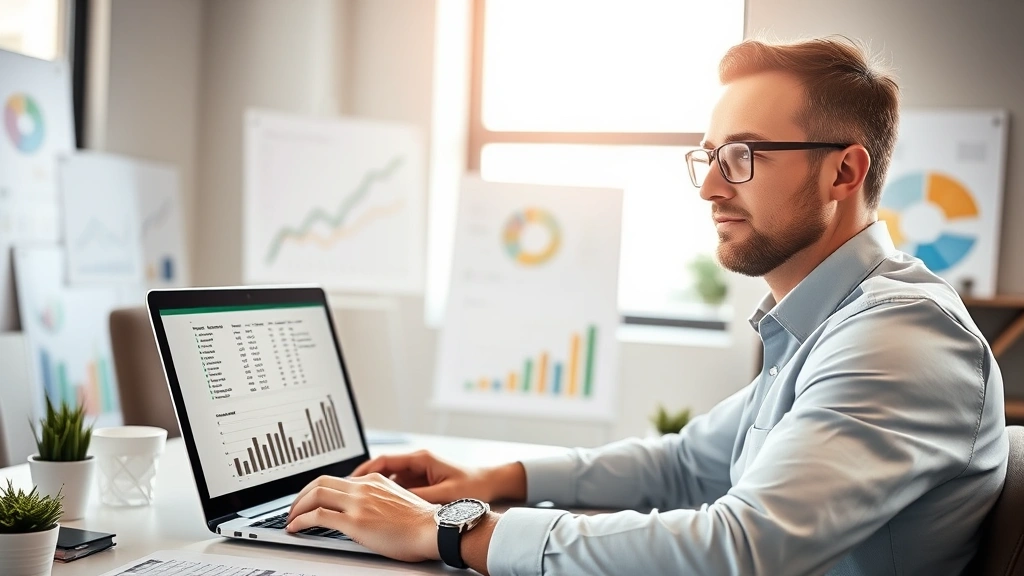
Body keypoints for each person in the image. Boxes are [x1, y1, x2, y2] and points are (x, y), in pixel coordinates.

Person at [284, 37, 1009, 575]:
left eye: (744, 157)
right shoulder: (829, 324)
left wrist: (453, 531)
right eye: (710, 156)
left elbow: (740, 547)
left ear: (843, 171)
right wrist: (494, 482)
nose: (710, 188)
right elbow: (685, 464)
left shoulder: (898, 336)